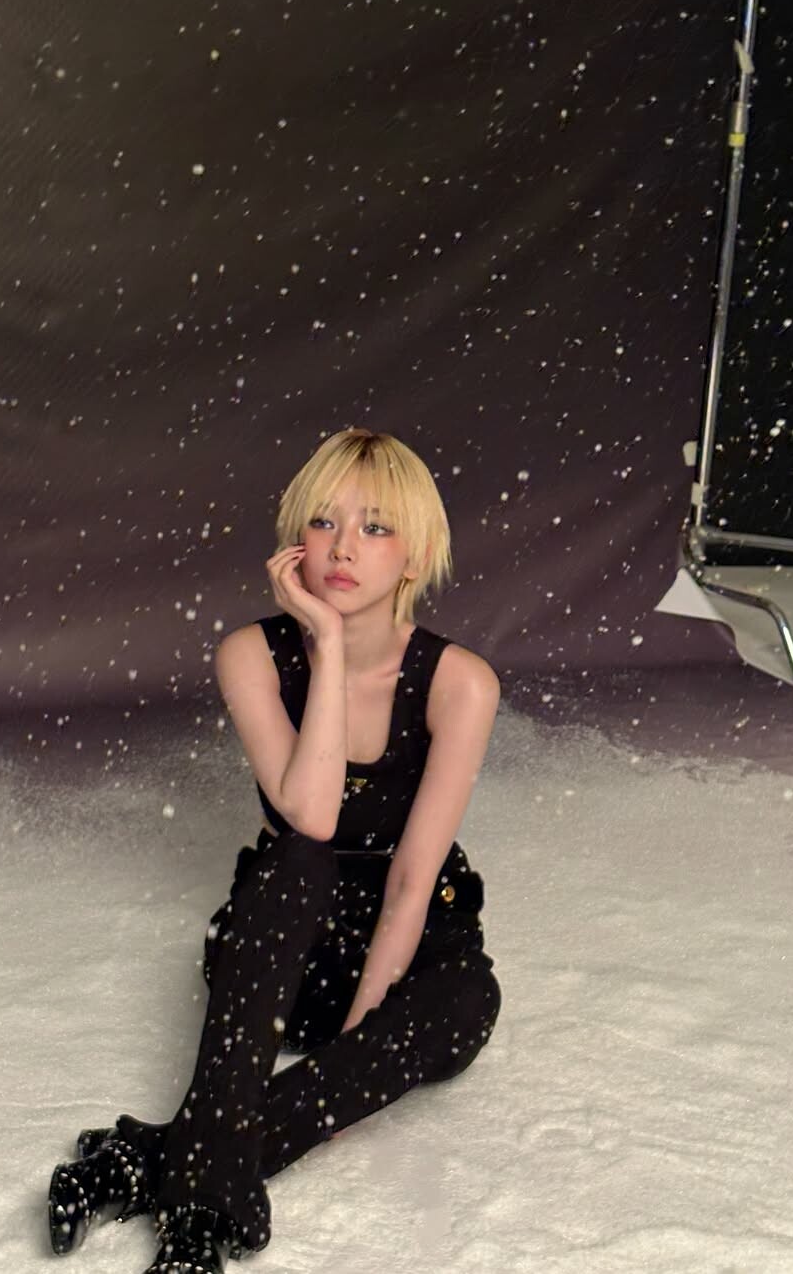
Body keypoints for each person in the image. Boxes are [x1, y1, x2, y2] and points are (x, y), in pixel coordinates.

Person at [44, 427, 503, 1273]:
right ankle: (204, 1202)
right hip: (287, 943)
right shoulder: (251, 655)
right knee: (297, 856)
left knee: (470, 997)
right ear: (297, 540)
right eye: (325, 523)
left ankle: (143, 1164)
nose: (342, 548)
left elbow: (411, 881)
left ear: (414, 555)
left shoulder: (459, 683)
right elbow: (313, 817)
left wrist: (354, 1057)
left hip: (406, 949)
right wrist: (326, 646)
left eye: (374, 528)